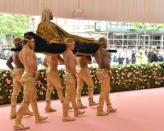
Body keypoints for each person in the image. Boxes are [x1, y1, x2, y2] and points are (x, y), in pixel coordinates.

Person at [14, 36, 48, 130]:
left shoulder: (21, 51)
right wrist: (35, 71)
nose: (34, 44)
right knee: (26, 101)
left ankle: (37, 117)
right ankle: (17, 123)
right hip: (29, 76)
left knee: (33, 99)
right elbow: (31, 64)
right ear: (28, 42)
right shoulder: (29, 51)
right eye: (32, 42)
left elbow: (26, 64)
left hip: (26, 75)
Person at [6, 38, 33, 119]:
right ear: (20, 43)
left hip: (15, 72)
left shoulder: (14, 53)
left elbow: (8, 63)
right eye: (21, 42)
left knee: (15, 94)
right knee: (28, 92)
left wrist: (13, 69)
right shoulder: (21, 52)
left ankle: (13, 113)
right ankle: (25, 109)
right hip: (21, 72)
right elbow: (26, 64)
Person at [62, 39, 85, 121]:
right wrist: (75, 75)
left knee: (72, 96)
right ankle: (65, 116)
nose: (74, 45)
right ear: (70, 45)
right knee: (68, 97)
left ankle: (76, 111)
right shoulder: (70, 54)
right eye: (73, 44)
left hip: (68, 75)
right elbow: (72, 67)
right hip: (70, 75)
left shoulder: (65, 53)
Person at [94, 37, 116, 116]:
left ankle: (109, 106)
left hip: (99, 71)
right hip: (104, 72)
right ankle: (99, 110)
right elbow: (106, 63)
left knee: (106, 90)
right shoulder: (104, 52)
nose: (107, 43)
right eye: (107, 42)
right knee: (104, 91)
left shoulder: (96, 51)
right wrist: (109, 70)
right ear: (104, 43)